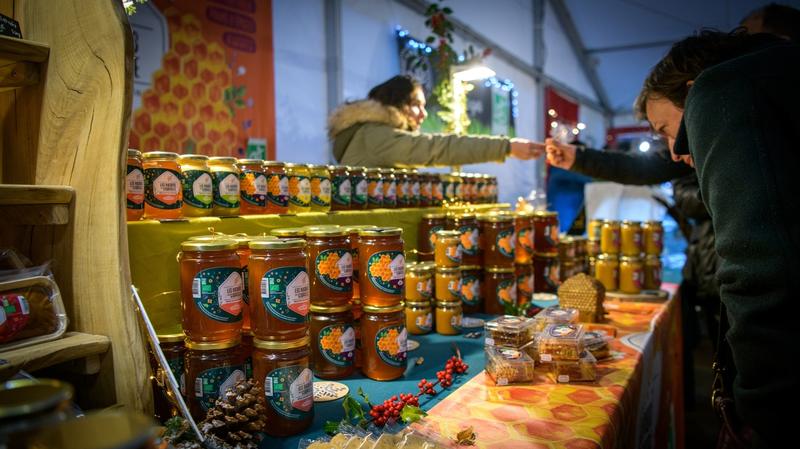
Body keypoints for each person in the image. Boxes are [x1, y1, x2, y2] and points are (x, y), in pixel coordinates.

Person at [634, 29, 799, 448]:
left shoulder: (722, 91)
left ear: (693, 92)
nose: (674, 151)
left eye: (668, 129)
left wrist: (760, 410)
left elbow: (761, 267)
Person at [328, 75, 543, 167]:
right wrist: (506, 147)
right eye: (417, 104)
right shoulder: (375, 136)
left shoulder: (372, 133)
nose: (424, 114)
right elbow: (437, 148)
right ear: (396, 103)